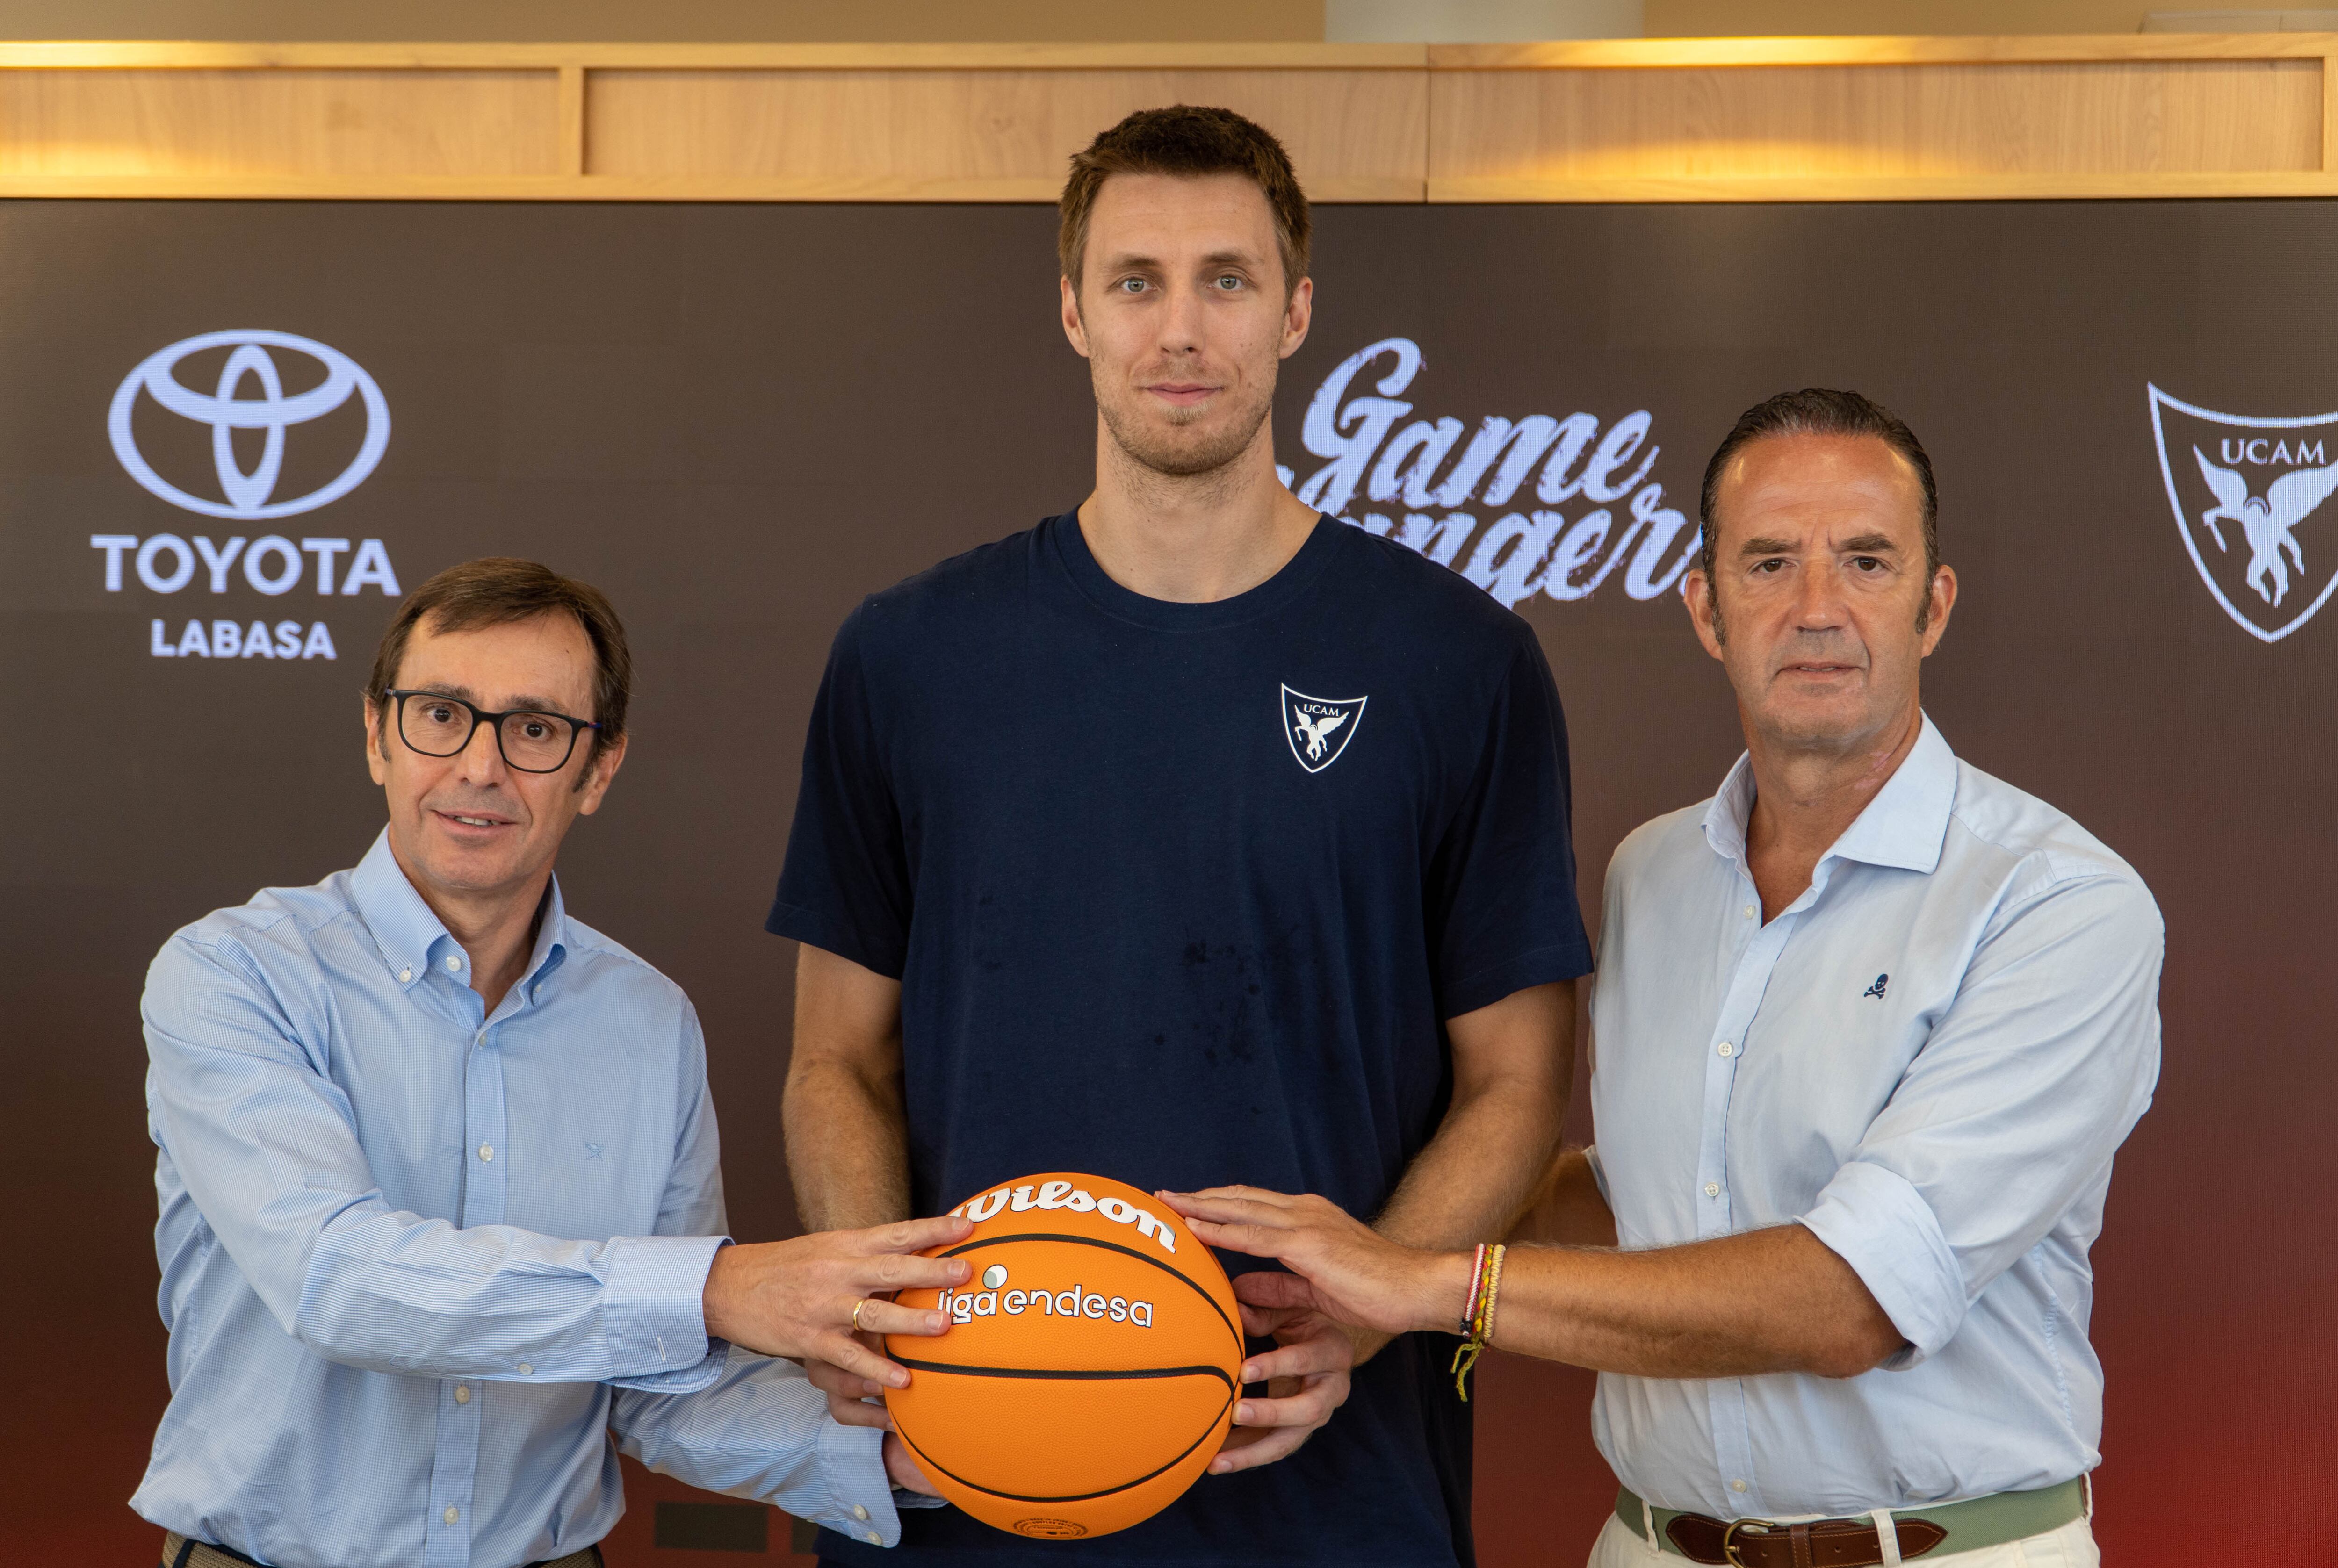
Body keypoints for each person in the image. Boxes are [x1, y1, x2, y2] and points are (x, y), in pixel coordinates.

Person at [770, 106, 1590, 1567]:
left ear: (1297, 312)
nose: (1182, 326)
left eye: (1228, 278)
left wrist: (1368, 1298)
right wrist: (875, 1307)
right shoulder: (909, 655)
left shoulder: (1458, 659)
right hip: (969, 1465)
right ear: (1074, 309)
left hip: (1325, 1478)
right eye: (1137, 280)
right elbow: (838, 1059)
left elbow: (1518, 1085)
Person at [1167, 390, 2162, 1568]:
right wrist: (1357, 1246)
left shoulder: (2058, 904)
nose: (1817, 609)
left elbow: (1851, 1301)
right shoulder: (1653, 875)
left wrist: (1431, 1282)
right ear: (1705, 608)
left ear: (1932, 605)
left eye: (1866, 561)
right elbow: (1654, 1186)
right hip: (1648, 1545)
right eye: (1768, 563)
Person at [134, 557, 977, 1568]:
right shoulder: (233, 974)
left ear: (599, 770)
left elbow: (657, 1389)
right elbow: (337, 1280)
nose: (480, 767)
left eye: (535, 729)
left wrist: (922, 1452)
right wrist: (710, 1290)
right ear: (376, 734)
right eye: (440, 714)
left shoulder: (650, 1023)